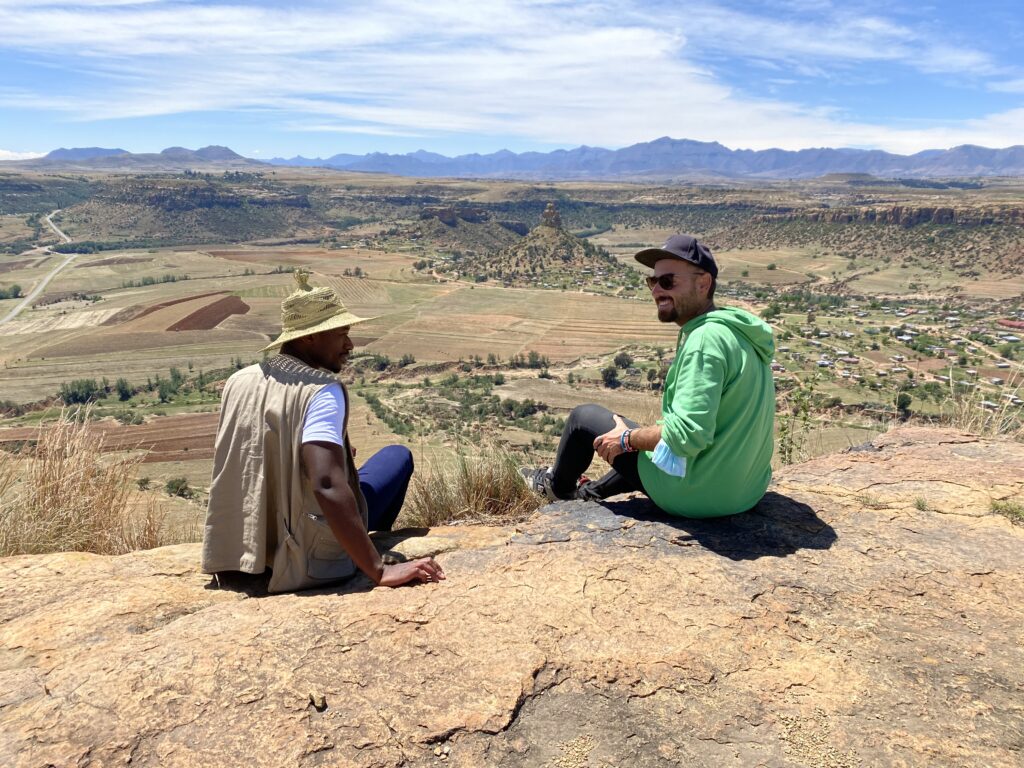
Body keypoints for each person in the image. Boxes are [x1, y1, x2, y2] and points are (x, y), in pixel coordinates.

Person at [202, 269, 444, 593]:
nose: (349, 344)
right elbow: (326, 483)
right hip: (303, 557)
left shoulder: (239, 381)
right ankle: (364, 549)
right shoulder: (322, 391)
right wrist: (378, 570)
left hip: (237, 554)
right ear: (309, 337)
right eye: (341, 334)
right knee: (397, 457)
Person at [521, 234, 775, 518]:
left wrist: (627, 439)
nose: (656, 290)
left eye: (668, 282)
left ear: (703, 283)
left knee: (584, 418)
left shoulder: (705, 341)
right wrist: (633, 438)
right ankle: (589, 493)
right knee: (647, 441)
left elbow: (686, 436)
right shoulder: (737, 333)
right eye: (652, 282)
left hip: (698, 496)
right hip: (744, 491)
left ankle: (557, 488)